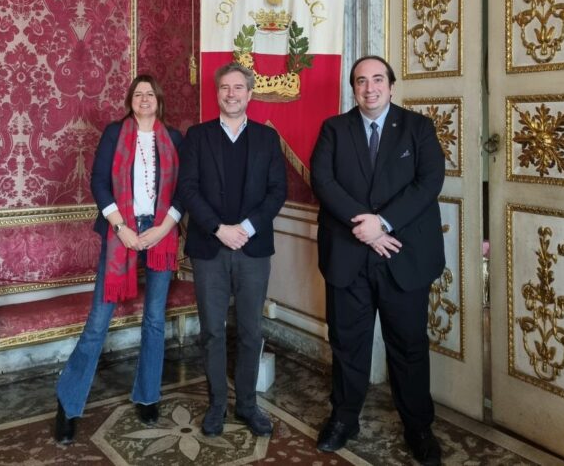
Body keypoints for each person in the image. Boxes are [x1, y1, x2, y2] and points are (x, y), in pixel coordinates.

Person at [310, 56, 445, 465]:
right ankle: (343, 419)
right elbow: (323, 181)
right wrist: (364, 226)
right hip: (348, 256)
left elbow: (429, 181)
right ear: (352, 87)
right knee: (347, 343)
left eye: (378, 80)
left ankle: (418, 427)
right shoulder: (334, 129)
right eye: (361, 81)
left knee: (408, 346)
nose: (370, 88)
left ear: (391, 85)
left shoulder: (418, 127)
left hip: (402, 256)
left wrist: (382, 223)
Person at [54, 75, 183, 444]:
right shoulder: (114, 133)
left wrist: (162, 229)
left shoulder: (175, 138)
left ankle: (148, 396)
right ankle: (68, 404)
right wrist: (121, 227)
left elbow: (183, 189)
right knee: (98, 321)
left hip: (161, 232)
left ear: (159, 100)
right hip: (120, 230)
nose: (144, 99)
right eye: (138, 94)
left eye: (150, 94)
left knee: (154, 320)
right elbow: (98, 181)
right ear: (130, 101)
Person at [178, 62, 287, 438]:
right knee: (212, 330)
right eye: (225, 87)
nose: (232, 94)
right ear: (217, 93)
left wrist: (247, 228)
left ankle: (247, 405)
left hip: (253, 249)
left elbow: (278, 191)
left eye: (238, 87)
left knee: (251, 331)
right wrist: (219, 228)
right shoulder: (197, 136)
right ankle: (216, 406)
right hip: (209, 247)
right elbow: (188, 187)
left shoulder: (267, 138)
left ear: (250, 93)